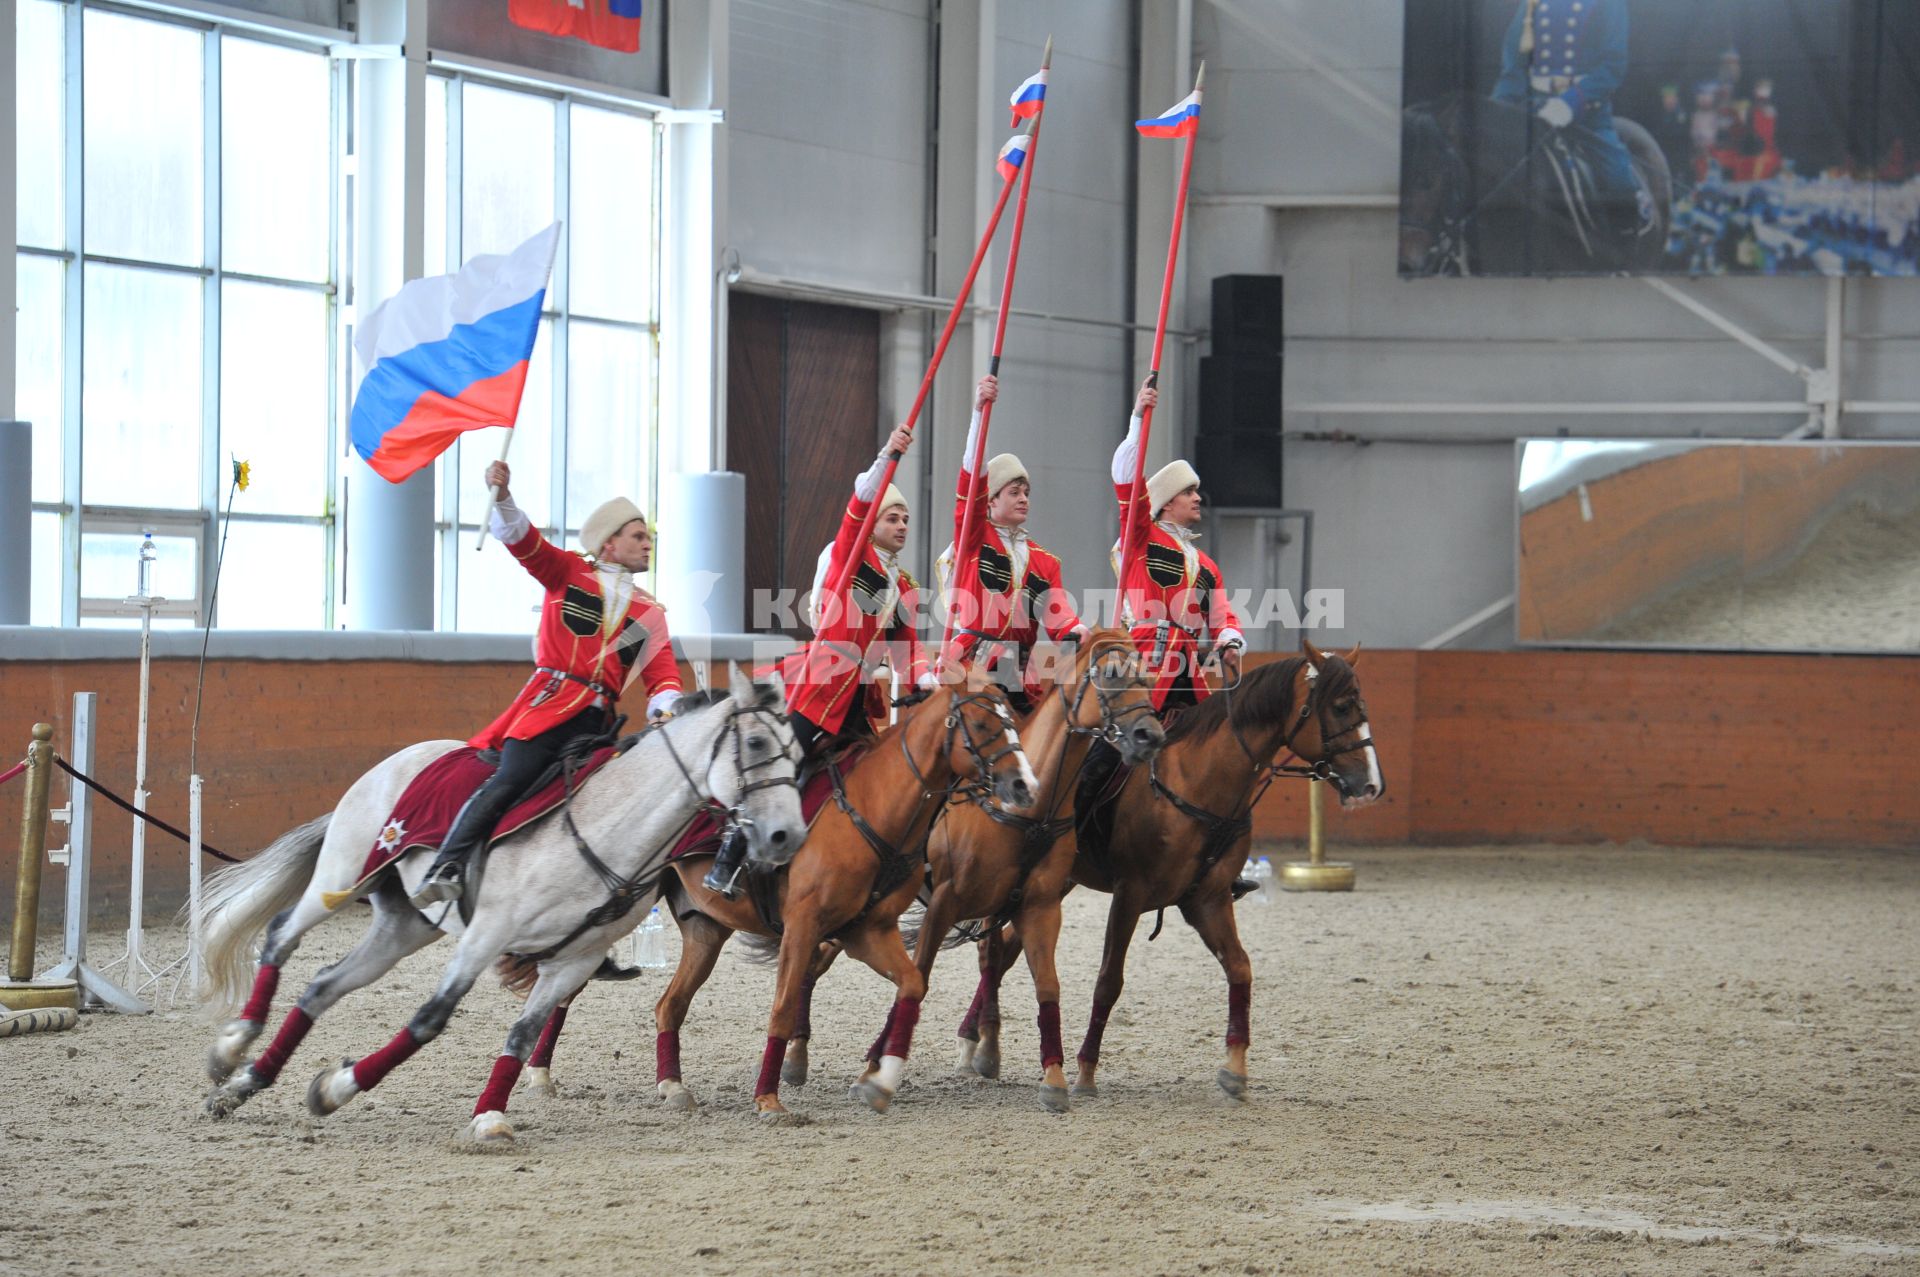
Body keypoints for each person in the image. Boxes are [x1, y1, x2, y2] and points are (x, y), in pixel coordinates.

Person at [410, 460, 682, 909]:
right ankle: (449, 863)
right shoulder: (567, 572)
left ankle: (585, 918)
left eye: (649, 537)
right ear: (610, 544)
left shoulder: (652, 612)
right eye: (638, 536)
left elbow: (663, 673)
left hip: (599, 725)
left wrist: (668, 709)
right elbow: (523, 540)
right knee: (512, 778)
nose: (647, 543)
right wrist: (502, 496)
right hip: (549, 710)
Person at [702, 425, 933, 898]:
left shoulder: (904, 583)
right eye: (893, 518)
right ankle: (731, 855)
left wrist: (926, 677)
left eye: (906, 519)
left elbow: (906, 644)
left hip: (861, 696)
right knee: (787, 762)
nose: (903, 526)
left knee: (875, 777)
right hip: (823, 684)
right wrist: (888, 455)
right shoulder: (853, 556)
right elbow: (856, 509)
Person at [934, 373, 1088, 709]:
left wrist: (1075, 630)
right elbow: (971, 483)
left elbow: (1057, 614)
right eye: (1014, 492)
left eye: (1027, 493)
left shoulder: (1046, 562)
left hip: (1019, 674)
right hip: (970, 664)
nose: (1024, 499)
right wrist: (979, 415)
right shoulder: (974, 539)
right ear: (989, 502)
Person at [1108, 377, 1244, 715]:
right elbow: (1127, 483)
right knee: (1110, 753)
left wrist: (1229, 639)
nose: (1198, 498)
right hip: (1144, 664)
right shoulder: (1142, 537)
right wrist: (1137, 420)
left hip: (1189, 671)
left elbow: (1222, 614)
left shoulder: (1207, 566)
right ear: (1166, 503)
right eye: (1188, 492)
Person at [1490, 0, 1653, 242]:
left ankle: (1623, 250)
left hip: (1586, 112)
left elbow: (1613, 66)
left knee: (1618, 181)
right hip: (1534, 109)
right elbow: (1514, 66)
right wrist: (1496, 108)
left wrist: (1569, 103)